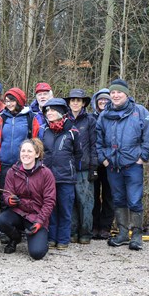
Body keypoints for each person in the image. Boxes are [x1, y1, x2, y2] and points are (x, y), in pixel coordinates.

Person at [96, 79, 149, 251]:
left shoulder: (139, 111)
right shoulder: (104, 115)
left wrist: (143, 157)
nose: (115, 95)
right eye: (113, 92)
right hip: (113, 167)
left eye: (119, 92)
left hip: (133, 166)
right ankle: (123, 233)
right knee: (118, 200)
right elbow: (98, 141)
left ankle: (136, 235)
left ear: (126, 94)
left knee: (135, 200)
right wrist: (104, 159)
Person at [0, 138, 56, 260]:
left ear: (37, 154)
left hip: (36, 216)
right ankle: (15, 238)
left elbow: (50, 202)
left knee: (37, 253)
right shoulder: (12, 172)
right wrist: (10, 200)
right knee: (0, 220)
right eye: (23, 151)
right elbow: (7, 194)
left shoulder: (46, 173)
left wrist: (39, 222)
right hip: (18, 212)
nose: (25, 154)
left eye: (29, 151)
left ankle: (39, 240)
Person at [0, 87, 40, 209]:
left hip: (23, 165)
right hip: (4, 165)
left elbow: (36, 141)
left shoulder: (30, 118)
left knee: (23, 196)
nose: (9, 104)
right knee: (5, 197)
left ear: (19, 101)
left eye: (12, 100)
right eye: (6, 101)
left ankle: (22, 223)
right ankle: (4, 224)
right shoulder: (2, 118)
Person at [41, 98, 79, 250]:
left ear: (62, 113)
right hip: (48, 178)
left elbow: (78, 153)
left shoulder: (72, 131)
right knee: (51, 209)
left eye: (52, 110)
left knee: (65, 209)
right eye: (47, 110)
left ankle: (63, 239)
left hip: (66, 178)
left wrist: (68, 166)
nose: (49, 113)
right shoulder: (44, 130)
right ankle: (51, 238)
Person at [64, 88, 98, 244]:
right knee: (70, 202)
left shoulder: (90, 120)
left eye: (78, 100)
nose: (75, 103)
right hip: (68, 168)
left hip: (85, 167)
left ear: (84, 102)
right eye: (72, 100)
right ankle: (72, 232)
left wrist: (94, 167)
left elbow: (94, 145)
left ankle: (85, 233)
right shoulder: (65, 120)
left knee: (86, 202)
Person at [90, 89, 114, 239]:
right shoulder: (91, 118)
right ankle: (94, 226)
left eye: (106, 100)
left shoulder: (114, 117)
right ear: (96, 102)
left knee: (109, 196)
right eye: (101, 100)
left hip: (110, 162)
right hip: (94, 162)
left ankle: (105, 227)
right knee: (93, 195)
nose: (103, 102)